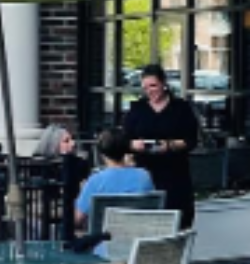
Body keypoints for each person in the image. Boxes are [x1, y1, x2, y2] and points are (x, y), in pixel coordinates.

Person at [123, 62, 200, 227]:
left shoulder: (181, 108)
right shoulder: (137, 109)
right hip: (145, 173)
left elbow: (192, 140)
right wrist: (134, 145)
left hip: (175, 173)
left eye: (153, 86)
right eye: (145, 87)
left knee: (177, 220)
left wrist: (170, 145)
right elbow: (124, 140)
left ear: (164, 83)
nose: (150, 91)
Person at [74, 126, 156, 244]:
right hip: (136, 245)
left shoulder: (95, 181)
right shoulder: (144, 176)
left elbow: (77, 220)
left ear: (102, 153)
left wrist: (79, 193)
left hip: (102, 247)